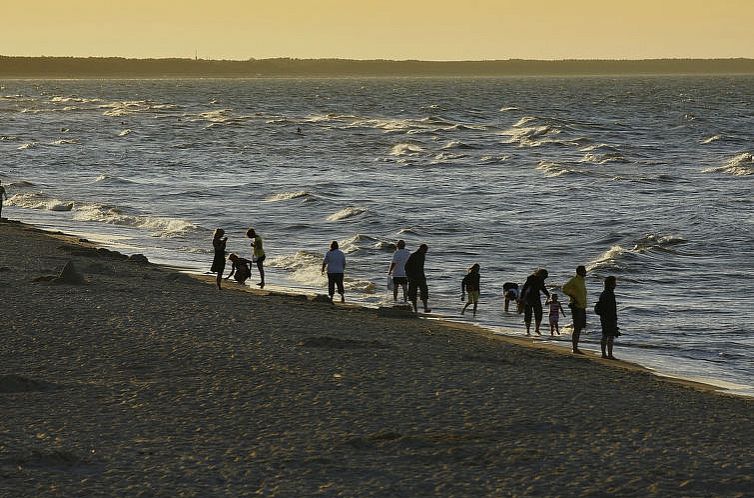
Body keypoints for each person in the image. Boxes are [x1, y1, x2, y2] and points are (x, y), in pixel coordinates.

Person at [562, 265, 588, 354]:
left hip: (582, 306)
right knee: (577, 327)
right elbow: (564, 288)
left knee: (580, 327)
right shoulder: (574, 280)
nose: (586, 272)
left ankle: (576, 346)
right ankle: (574, 348)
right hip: (576, 306)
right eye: (584, 270)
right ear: (580, 271)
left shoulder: (582, 280)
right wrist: (572, 296)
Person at [519, 269, 550, 336]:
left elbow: (542, 288)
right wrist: (521, 299)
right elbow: (524, 288)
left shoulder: (541, 279)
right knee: (528, 314)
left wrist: (547, 294)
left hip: (536, 297)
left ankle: (537, 329)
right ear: (541, 274)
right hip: (528, 297)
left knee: (539, 313)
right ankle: (527, 330)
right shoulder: (531, 278)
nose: (545, 277)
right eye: (545, 276)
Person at [595, 276, 620, 359]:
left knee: (605, 335)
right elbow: (611, 308)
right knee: (610, 336)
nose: (616, 285)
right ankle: (609, 354)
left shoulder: (604, 293)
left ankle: (604, 354)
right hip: (609, 317)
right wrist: (613, 318)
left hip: (604, 317)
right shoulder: (609, 294)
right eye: (614, 283)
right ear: (611, 284)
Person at [405, 244, 431, 314]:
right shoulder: (413, 255)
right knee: (413, 293)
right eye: (425, 250)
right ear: (421, 249)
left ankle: (425, 308)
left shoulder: (423, 255)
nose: (426, 252)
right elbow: (406, 266)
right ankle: (415, 309)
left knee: (424, 291)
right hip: (413, 277)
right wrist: (409, 276)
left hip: (421, 276)